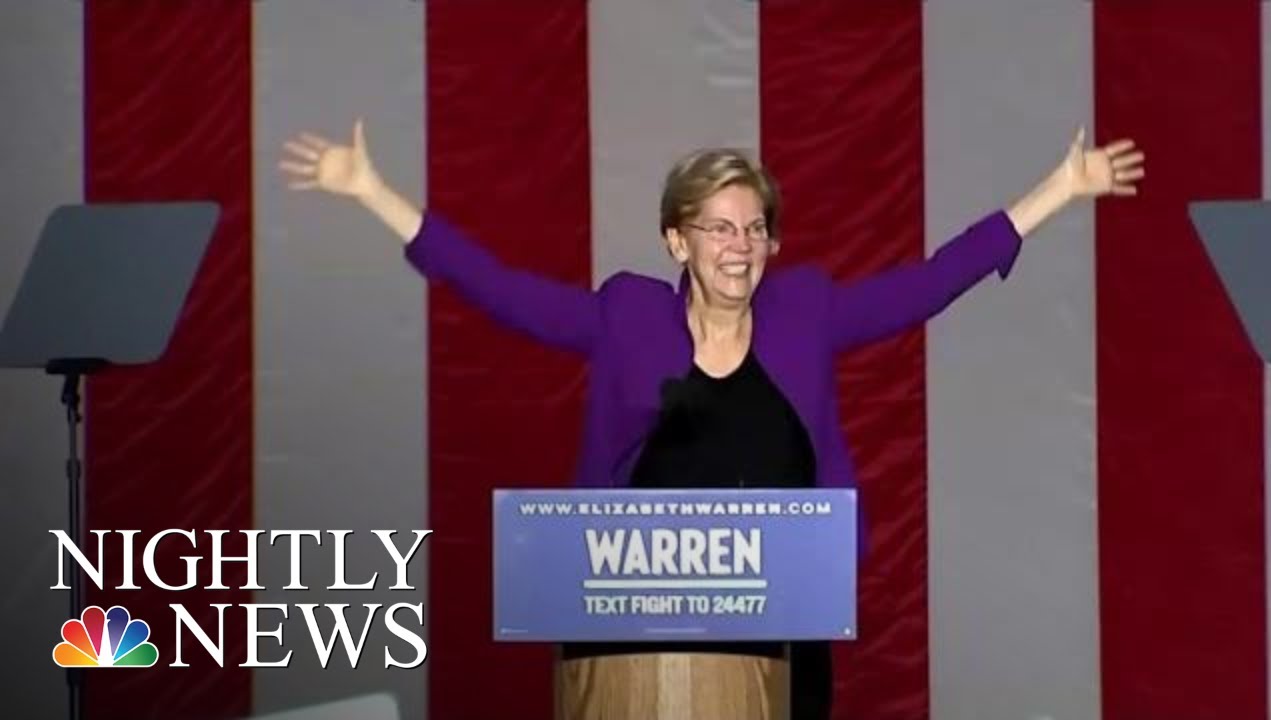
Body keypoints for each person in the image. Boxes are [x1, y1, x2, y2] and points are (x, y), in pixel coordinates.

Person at [279, 120, 1143, 719]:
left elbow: (931, 282)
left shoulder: (808, 315)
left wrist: (1060, 190)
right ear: (677, 241)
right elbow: (496, 288)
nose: (741, 245)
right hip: (630, 634)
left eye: (756, 229)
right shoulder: (626, 317)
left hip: (782, 631)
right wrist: (373, 192)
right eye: (720, 228)